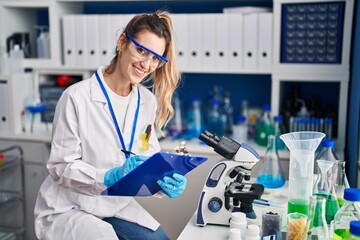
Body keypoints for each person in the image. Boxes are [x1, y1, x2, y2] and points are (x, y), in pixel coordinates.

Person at [34, 10, 184, 240]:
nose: (147, 64)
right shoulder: (76, 96)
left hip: (114, 204)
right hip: (69, 206)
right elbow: (60, 167)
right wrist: (108, 177)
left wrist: (162, 181)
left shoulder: (146, 101)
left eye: (156, 58)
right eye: (142, 51)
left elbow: (147, 157)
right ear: (122, 42)